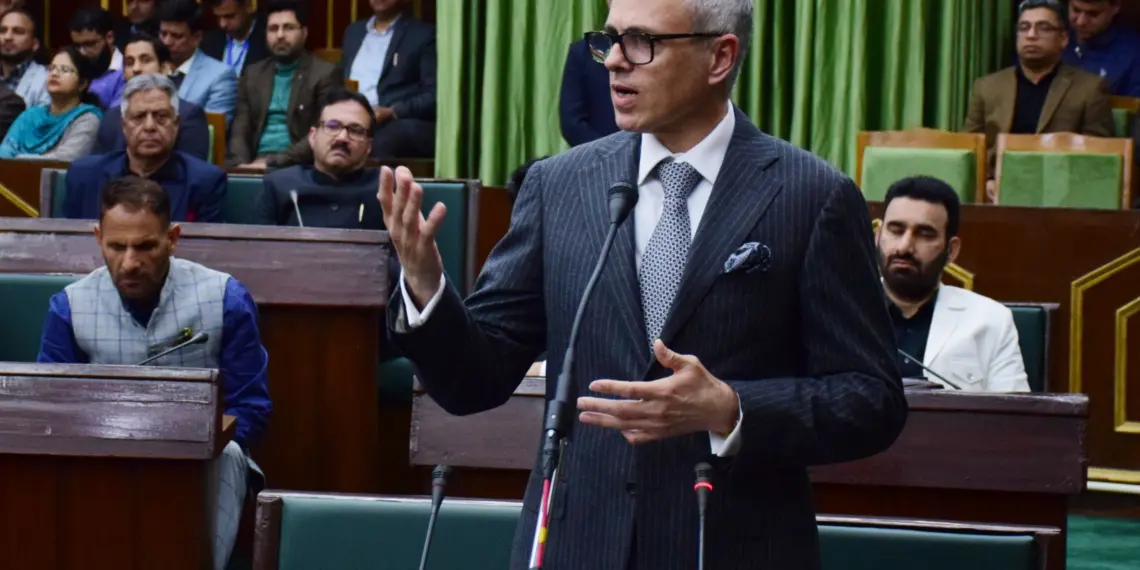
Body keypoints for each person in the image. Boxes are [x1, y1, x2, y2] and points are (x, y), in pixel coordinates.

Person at [377, 0, 907, 568]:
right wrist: (426, 285)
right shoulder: (561, 185)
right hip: (579, 542)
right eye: (608, 40)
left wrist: (732, 408)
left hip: (731, 542)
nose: (613, 62)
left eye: (642, 42)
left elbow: (871, 398)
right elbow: (473, 381)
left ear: (719, 57)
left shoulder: (811, 195)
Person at [36, 176, 271, 570]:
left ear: (172, 238)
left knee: (231, 453)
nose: (130, 262)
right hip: (103, 461)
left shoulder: (225, 298)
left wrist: (191, 448)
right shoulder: (69, 307)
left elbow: (251, 406)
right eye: (116, 246)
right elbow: (53, 411)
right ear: (98, 238)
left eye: (145, 246)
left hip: (202, 464)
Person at [876, 176, 1030, 392]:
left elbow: (1014, 417)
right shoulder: (840, 312)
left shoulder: (991, 320)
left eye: (924, 234)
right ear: (877, 236)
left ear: (951, 251)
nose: (905, 247)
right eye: (896, 230)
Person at [964, 0, 1115, 200]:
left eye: (1043, 28)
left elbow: (1099, 158)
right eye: (1024, 28)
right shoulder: (987, 87)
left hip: (1062, 196)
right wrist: (986, 180)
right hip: (996, 195)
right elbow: (971, 147)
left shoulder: (1090, 88)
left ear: (1063, 38)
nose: (1031, 35)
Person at [65, 73, 226, 222]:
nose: (149, 126)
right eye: (139, 117)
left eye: (161, 117)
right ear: (124, 126)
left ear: (176, 125)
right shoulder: (84, 177)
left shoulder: (205, 182)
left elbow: (207, 251)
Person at [227, 0, 338, 170]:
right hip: (253, 165)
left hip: (299, 166)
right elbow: (240, 128)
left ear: (304, 33)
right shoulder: (253, 74)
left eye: (288, 28)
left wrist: (272, 163)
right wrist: (240, 166)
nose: (280, 35)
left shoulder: (324, 74)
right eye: (273, 29)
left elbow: (322, 134)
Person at [257, 89, 379, 227]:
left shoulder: (387, 188)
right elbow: (260, 247)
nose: (342, 137)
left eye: (356, 130)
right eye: (333, 126)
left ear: (369, 146)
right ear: (313, 137)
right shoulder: (279, 185)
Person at [94, 32, 211, 161]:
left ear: (164, 69)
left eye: (145, 60)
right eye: (129, 62)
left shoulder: (188, 114)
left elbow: (192, 171)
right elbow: (99, 167)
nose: (136, 69)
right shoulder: (112, 116)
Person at [341, 0, 436, 159]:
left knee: (383, 140)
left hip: (394, 121)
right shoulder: (354, 32)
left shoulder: (422, 35)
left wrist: (393, 112)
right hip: (353, 115)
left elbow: (433, 95)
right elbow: (343, 80)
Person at [0, 46, 102, 160]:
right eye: (51, 68)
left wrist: (18, 160)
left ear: (82, 84)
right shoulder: (30, 115)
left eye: (65, 70)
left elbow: (64, 160)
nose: (54, 73)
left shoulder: (87, 119)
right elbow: (5, 150)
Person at [159, 0, 238, 124]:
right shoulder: (151, 68)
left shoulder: (220, 76)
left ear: (197, 37)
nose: (167, 41)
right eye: (163, 34)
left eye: (176, 36)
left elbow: (211, 133)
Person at [559, 1, 619, 147]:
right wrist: (611, 154)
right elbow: (572, 123)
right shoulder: (582, 52)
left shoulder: (662, 50)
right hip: (600, 161)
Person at [1063, 0, 1140, 98]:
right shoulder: (1052, 33)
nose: (1080, 22)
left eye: (1093, 14)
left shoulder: (1134, 54)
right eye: (1076, 10)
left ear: (1115, 7)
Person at [69, 6, 125, 109]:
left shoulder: (125, 72)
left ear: (109, 37)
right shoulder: (71, 67)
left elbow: (114, 120)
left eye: (89, 44)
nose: (82, 52)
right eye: (77, 46)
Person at [201, 0, 267, 77]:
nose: (222, 24)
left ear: (248, 6)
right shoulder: (209, 41)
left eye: (229, 16)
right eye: (218, 17)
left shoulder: (268, 39)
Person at [0, 7, 48, 107]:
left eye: (18, 31)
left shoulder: (46, 80)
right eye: (2, 31)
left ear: (35, 44)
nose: (7, 37)